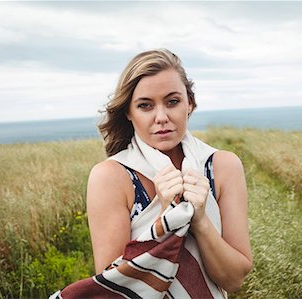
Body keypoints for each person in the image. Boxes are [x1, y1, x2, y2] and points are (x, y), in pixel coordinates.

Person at [53, 49, 252, 299]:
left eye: (172, 102)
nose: (161, 117)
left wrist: (200, 221)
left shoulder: (222, 166)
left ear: (189, 103)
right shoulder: (111, 177)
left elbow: (234, 280)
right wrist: (164, 223)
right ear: (128, 112)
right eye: (145, 105)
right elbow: (115, 291)